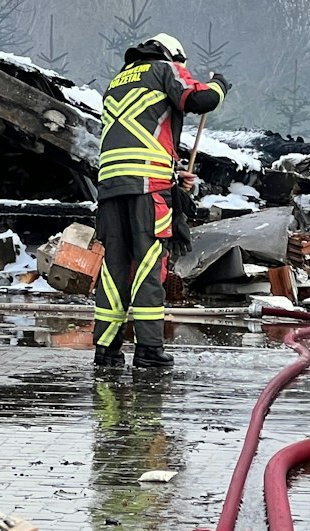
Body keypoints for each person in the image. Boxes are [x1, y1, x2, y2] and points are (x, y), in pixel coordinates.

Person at [92, 34, 228, 370]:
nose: (184, 70)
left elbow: (139, 136)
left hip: (111, 187)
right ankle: (149, 350)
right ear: (173, 55)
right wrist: (219, 86)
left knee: (115, 267)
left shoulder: (118, 80)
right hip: (146, 190)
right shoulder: (165, 68)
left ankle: (106, 350)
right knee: (149, 263)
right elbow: (198, 99)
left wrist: (172, 175)